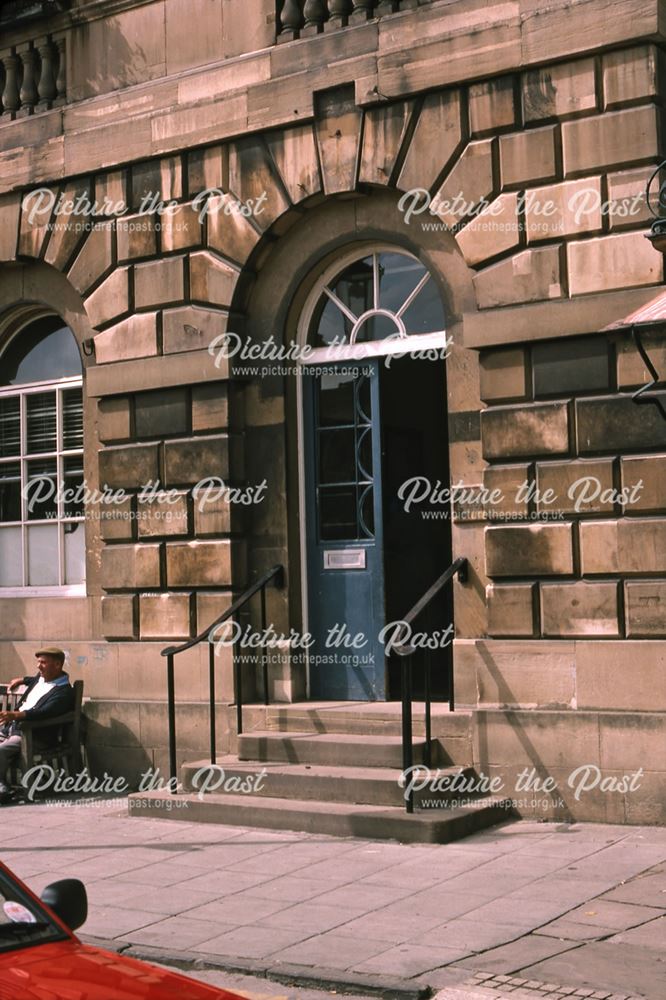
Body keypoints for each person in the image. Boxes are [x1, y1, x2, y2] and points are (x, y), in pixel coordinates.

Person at [0, 647, 75, 804]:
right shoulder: (41, 678)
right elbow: (32, 680)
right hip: (14, 729)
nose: (38, 666)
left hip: (35, 735)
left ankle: (3, 789)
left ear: (57, 665)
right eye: (38, 662)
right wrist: (21, 679)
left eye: (43, 662)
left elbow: (45, 712)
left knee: (2, 750)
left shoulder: (63, 692)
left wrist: (16, 715)